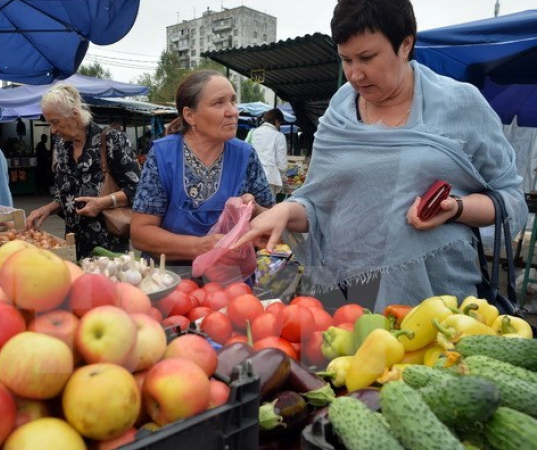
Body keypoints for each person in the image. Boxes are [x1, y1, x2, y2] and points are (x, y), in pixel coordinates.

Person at [232, 0, 527, 311]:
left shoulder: (461, 104)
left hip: (434, 301)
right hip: (343, 293)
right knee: (340, 357)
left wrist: (455, 209)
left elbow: (510, 198)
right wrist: (285, 210)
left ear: (405, 45)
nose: (355, 75)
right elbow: (319, 203)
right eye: (346, 60)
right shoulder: (340, 110)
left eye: (367, 58)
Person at [131, 70, 275, 278]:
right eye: (219, 103)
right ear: (190, 115)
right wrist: (201, 246)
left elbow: (269, 221)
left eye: (233, 101)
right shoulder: (163, 155)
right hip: (168, 279)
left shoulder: (246, 155)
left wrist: (252, 210)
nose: (232, 111)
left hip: (228, 281)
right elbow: (141, 233)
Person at [25, 84, 140, 260]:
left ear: (75, 115)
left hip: (107, 247)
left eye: (55, 122)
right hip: (72, 243)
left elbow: (136, 188)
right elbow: (67, 194)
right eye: (49, 123)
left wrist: (101, 203)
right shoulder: (61, 145)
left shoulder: (111, 139)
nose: (52, 130)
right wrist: (48, 209)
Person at [250, 108, 288, 196]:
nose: (279, 126)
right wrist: (283, 176)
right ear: (277, 121)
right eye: (280, 124)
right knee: (267, 209)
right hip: (270, 179)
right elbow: (282, 163)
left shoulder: (255, 132)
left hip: (254, 176)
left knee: (253, 207)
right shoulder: (279, 136)